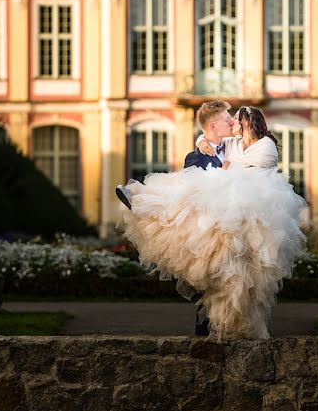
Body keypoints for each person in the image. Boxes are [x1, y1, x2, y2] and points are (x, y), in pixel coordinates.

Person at [115, 103, 307, 340]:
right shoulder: (227, 145)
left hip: (254, 212)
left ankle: (235, 327)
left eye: (235, 119)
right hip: (216, 219)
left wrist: (229, 166)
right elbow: (209, 148)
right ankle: (143, 202)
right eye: (229, 118)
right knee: (184, 197)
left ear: (247, 122)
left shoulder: (263, 145)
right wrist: (203, 143)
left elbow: (253, 166)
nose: (232, 122)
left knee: (244, 278)